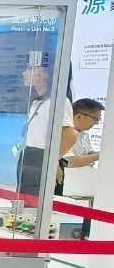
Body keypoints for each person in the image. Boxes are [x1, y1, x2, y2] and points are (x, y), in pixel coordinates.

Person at [17, 64, 78, 198]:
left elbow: (70, 137)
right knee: (25, 203)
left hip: (40, 159)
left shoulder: (57, 102)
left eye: (30, 68)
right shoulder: (40, 101)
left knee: (36, 205)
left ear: (45, 72)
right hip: (30, 157)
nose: (24, 73)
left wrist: (51, 161)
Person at [64, 98, 104, 170]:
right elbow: (68, 161)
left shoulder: (85, 135)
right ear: (79, 116)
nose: (97, 123)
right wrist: (100, 155)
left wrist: (106, 152)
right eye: (95, 119)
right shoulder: (64, 134)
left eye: (98, 120)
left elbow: (90, 154)